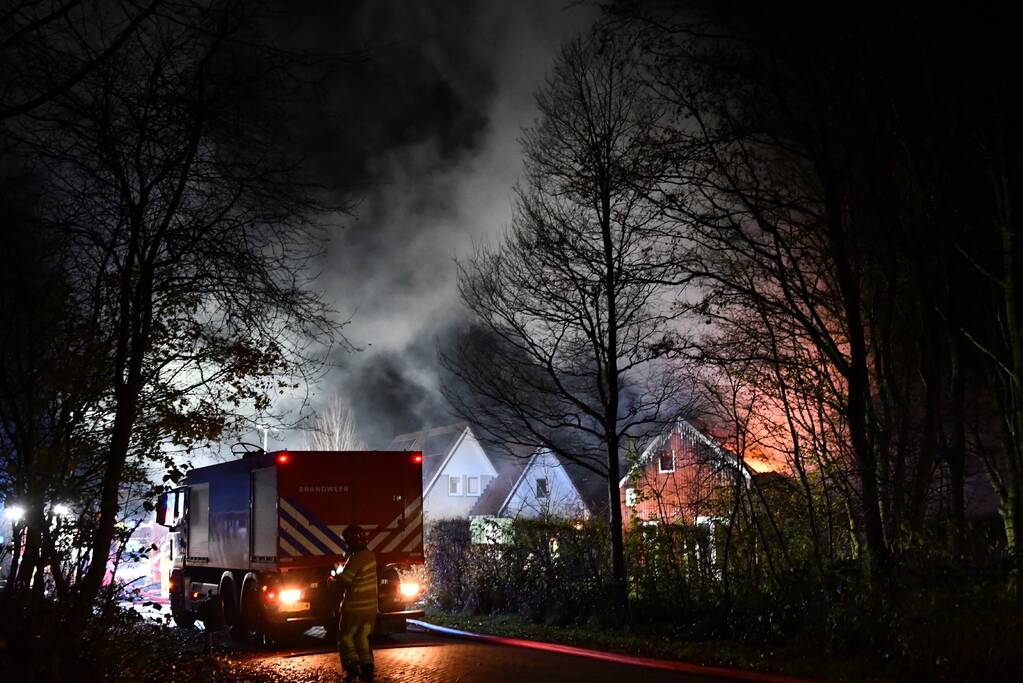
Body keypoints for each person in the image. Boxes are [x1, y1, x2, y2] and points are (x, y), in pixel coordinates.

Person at [336, 525, 378, 681]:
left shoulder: (354, 559)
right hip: (370, 610)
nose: (346, 544)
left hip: (354, 609)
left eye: (347, 541)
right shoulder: (370, 555)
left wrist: (334, 578)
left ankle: (352, 667)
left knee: (346, 637)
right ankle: (367, 667)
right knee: (363, 638)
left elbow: (345, 581)